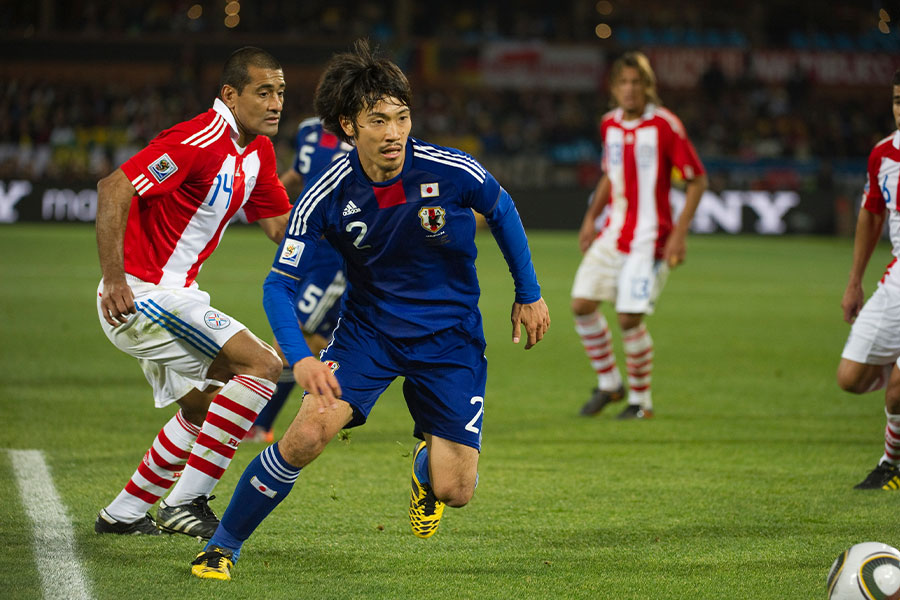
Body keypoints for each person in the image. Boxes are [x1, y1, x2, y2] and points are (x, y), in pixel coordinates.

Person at [189, 39, 550, 580]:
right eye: (378, 120)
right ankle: (222, 545)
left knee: (457, 491)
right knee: (308, 433)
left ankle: (426, 466)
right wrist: (299, 357)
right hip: (369, 337)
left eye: (402, 118)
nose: (394, 132)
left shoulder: (450, 169)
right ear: (348, 126)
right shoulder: (327, 194)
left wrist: (529, 291)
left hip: (451, 341)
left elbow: (502, 209)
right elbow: (277, 285)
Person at [93, 47, 291, 538]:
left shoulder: (257, 152)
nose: (275, 103)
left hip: (179, 297)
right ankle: (187, 501)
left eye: (281, 92)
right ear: (230, 94)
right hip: (141, 296)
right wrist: (115, 279)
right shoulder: (199, 140)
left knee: (207, 406)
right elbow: (114, 188)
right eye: (263, 92)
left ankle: (123, 514)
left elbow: (279, 226)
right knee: (263, 366)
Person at [572, 51, 707, 419]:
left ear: (648, 87)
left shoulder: (665, 125)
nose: (630, 89)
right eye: (624, 83)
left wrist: (680, 235)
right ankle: (610, 384)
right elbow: (609, 176)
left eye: (637, 82)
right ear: (614, 88)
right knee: (581, 305)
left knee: (629, 318)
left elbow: (697, 179)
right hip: (614, 233)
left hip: (652, 239)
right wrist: (590, 219)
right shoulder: (609, 125)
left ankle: (641, 403)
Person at [246, 117, 353, 444]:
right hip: (307, 248)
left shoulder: (365, 138)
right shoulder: (308, 129)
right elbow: (299, 174)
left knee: (296, 338)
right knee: (319, 341)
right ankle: (333, 409)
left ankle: (262, 425)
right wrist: (270, 191)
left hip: (333, 260)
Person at [837, 69, 900, 490]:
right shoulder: (883, 154)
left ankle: (891, 463)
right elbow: (872, 212)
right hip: (896, 278)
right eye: (898, 99)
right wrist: (854, 280)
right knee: (851, 378)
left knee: (896, 393)